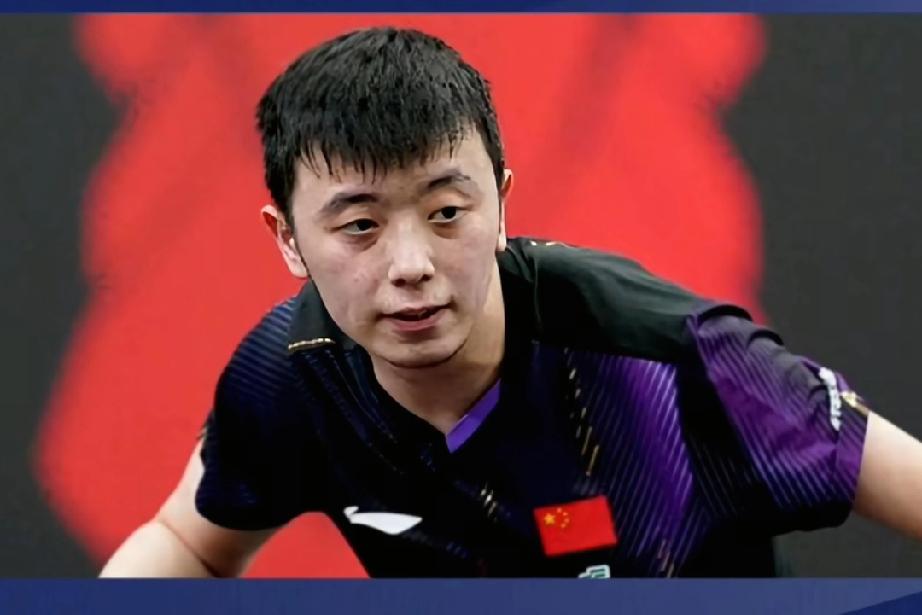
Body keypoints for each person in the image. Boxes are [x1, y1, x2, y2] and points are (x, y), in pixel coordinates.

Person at [100, 26, 922, 578]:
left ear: (501, 204)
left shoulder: (666, 355)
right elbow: (186, 543)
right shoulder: (289, 375)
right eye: (359, 226)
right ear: (287, 239)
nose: (412, 266)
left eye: (446, 212)